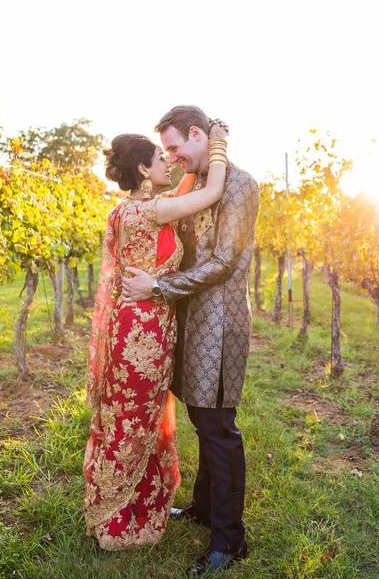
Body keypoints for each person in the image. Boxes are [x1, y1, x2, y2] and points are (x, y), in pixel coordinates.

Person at [122, 105, 260, 575]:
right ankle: (204, 509)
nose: (173, 157)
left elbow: (223, 261)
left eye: (176, 147)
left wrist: (157, 287)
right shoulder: (199, 184)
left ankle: (229, 540)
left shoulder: (239, 186)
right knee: (203, 423)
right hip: (190, 322)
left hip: (219, 326)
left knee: (219, 431)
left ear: (199, 134)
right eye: (167, 152)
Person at [83, 124, 230, 551]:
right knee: (135, 421)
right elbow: (209, 191)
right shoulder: (149, 212)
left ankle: (127, 507)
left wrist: (188, 159)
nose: (170, 161)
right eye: (162, 158)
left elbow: (182, 184)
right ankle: (119, 518)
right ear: (145, 170)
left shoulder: (134, 208)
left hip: (138, 328)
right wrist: (217, 144)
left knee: (133, 417)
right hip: (142, 335)